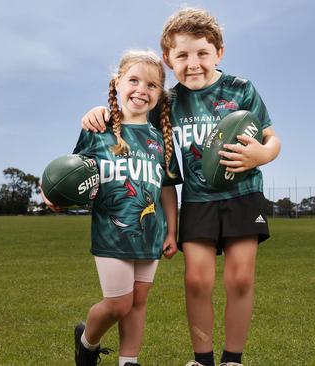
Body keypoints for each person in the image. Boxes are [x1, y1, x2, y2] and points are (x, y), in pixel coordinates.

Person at [80, 8, 282, 366]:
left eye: (202, 53)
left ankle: (232, 359)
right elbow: (132, 114)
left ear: (218, 52)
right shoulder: (169, 102)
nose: (194, 63)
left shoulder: (240, 88)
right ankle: (202, 360)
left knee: (239, 280)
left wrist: (262, 155)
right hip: (198, 200)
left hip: (243, 195)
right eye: (183, 55)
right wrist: (99, 110)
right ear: (169, 60)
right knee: (197, 282)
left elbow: (271, 138)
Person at [44, 50, 181, 366]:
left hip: (151, 231)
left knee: (139, 301)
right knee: (119, 304)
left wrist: (173, 230)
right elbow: (69, 171)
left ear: (160, 93)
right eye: (133, 80)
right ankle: (87, 341)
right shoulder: (98, 128)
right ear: (117, 83)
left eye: (151, 85)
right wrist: (52, 195)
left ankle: (128, 361)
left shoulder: (162, 139)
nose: (141, 91)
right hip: (111, 231)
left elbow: (166, 188)